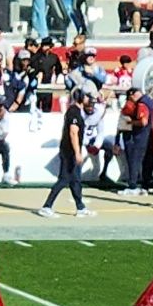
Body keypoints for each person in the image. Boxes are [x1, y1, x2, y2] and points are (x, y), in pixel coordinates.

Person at [40, 89, 95, 218]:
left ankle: (80, 207)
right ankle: (46, 206)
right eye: (87, 97)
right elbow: (73, 132)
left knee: (75, 180)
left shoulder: (76, 111)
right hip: (69, 152)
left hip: (70, 151)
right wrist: (77, 152)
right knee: (64, 179)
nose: (89, 100)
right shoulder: (74, 112)